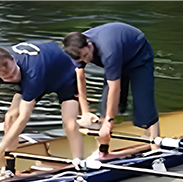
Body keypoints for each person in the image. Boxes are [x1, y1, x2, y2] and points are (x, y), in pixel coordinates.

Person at [0, 41, 92, 182]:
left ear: (14, 61)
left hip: (63, 74)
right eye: (7, 78)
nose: (12, 78)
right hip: (38, 73)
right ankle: (9, 169)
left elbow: (24, 117)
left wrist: (0, 147)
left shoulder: (31, 71)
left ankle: (80, 175)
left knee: (69, 124)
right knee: (10, 117)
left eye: (13, 73)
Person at [62, 22, 161, 156]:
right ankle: (103, 150)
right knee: (104, 104)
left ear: (89, 44)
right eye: (81, 59)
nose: (85, 61)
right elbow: (80, 78)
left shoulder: (108, 50)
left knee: (143, 101)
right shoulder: (75, 50)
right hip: (118, 52)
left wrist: (108, 122)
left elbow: (115, 88)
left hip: (138, 54)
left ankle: (155, 146)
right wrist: (85, 112)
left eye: (86, 56)